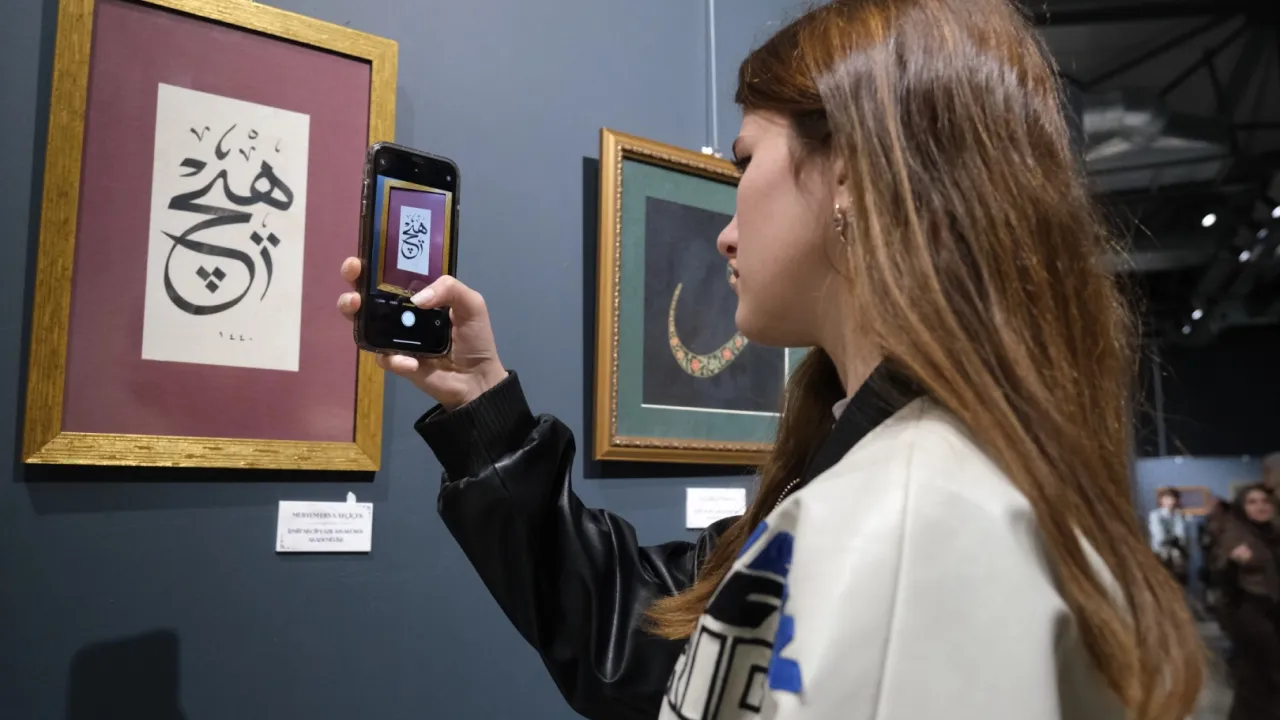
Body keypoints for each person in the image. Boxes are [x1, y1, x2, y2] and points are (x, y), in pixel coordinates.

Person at [337, 0, 1202, 718]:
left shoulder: (914, 521)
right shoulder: (889, 472)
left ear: (852, 173)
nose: (724, 232)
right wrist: (482, 401)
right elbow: (659, 638)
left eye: (744, 161)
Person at [1211, 485, 1280, 720]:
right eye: (1252, 502)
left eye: (1264, 501)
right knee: (1263, 672)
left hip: (1273, 609)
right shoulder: (1235, 534)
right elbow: (1221, 579)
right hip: (1248, 610)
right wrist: (1233, 563)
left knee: (1261, 678)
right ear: (1242, 507)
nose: (1261, 506)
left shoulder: (1274, 533)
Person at [1149, 487, 1189, 585]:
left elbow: (1182, 535)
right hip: (1161, 551)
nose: (1170, 501)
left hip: (1177, 551)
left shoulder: (1178, 515)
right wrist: (1173, 539)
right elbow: (1159, 536)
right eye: (1167, 498)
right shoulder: (1155, 515)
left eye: (1172, 498)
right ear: (1161, 500)